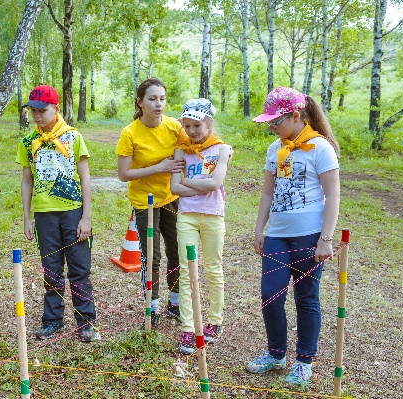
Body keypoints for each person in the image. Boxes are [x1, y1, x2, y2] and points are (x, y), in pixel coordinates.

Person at [245, 87, 340, 387]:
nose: (271, 127)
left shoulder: (320, 148)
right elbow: (267, 192)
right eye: (269, 123)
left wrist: (326, 238)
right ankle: (276, 354)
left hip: (309, 237)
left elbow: (333, 193)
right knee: (270, 295)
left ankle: (303, 361)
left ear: (296, 116)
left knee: (306, 297)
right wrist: (260, 229)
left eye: (276, 121)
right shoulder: (275, 149)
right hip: (277, 235)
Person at [16, 85, 97, 342]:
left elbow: (85, 178)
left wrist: (86, 217)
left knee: (79, 269)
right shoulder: (29, 142)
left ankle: (86, 322)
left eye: (42, 110)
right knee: (50, 270)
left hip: (73, 213)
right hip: (44, 215)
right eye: (33, 111)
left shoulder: (73, 138)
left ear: (56, 109)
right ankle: (52, 320)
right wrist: (27, 217)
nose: (37, 116)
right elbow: (27, 180)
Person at [116, 77, 184, 329]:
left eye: (162, 99)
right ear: (140, 102)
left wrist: (221, 151)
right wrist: (160, 167)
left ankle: (175, 302)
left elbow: (197, 143)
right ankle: (152, 305)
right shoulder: (130, 132)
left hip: (171, 197)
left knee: (176, 250)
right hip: (144, 202)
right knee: (151, 255)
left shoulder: (175, 127)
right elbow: (124, 174)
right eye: (152, 99)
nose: (158, 104)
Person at [170, 98, 232, 354]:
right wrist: (199, 183)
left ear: (209, 122)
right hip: (187, 216)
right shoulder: (180, 151)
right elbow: (174, 188)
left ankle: (214, 322)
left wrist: (187, 181)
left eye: (196, 125)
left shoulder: (221, 149)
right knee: (187, 271)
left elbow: (215, 184)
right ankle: (188, 328)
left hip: (213, 215)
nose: (191, 131)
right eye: (186, 126)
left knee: (213, 269)